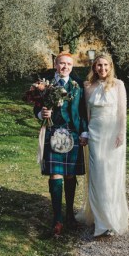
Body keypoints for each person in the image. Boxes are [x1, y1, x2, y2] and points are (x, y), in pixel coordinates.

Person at [76, 52, 129, 236]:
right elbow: (86, 114)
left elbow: (122, 114)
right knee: (98, 175)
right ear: (94, 67)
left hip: (113, 135)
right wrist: (86, 133)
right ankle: (100, 220)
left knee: (112, 176)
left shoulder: (119, 85)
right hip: (95, 135)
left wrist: (121, 134)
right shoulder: (88, 86)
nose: (102, 69)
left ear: (111, 66)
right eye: (99, 65)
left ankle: (112, 218)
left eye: (106, 65)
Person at [35, 52, 88, 236]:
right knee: (55, 174)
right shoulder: (45, 84)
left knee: (70, 175)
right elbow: (36, 107)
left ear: (72, 67)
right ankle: (57, 218)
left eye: (68, 64)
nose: (65, 67)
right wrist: (42, 114)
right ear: (55, 65)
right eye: (62, 63)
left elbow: (82, 111)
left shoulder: (78, 85)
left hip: (72, 132)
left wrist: (84, 131)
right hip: (53, 131)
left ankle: (70, 216)